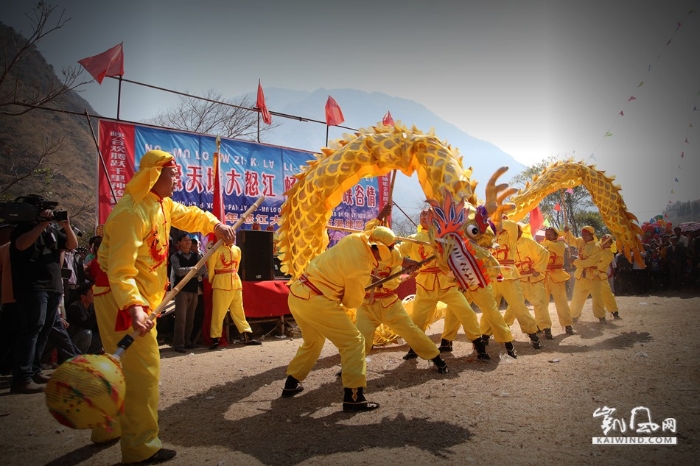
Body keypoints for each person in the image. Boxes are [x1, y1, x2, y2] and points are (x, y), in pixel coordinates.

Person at [89, 150, 236, 464]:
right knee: (142, 370)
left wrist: (216, 225)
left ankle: (107, 426)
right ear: (154, 175)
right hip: (123, 297)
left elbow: (192, 215)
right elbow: (120, 269)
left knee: (118, 365)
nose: (177, 179)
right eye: (172, 174)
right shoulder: (131, 212)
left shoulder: (162, 205)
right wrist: (135, 306)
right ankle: (140, 447)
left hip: (136, 296)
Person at [281, 228, 401, 412]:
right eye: (388, 250)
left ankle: (291, 382)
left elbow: (348, 271)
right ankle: (354, 397)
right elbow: (351, 301)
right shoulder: (360, 268)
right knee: (354, 342)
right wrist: (363, 286)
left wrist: (364, 280)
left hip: (298, 293)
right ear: (378, 248)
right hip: (317, 300)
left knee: (313, 341)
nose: (389, 254)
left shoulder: (354, 239)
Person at [399, 209, 491, 360]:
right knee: (418, 319)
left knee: (466, 312)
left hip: (446, 283)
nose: (424, 216)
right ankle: (414, 348)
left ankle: (479, 346)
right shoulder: (413, 238)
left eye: (428, 214)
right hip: (425, 285)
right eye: (421, 214)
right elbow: (398, 251)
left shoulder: (445, 236)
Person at [9, 194, 78, 394]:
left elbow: (71, 245)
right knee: (31, 329)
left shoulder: (53, 230)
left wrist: (65, 226)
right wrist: (40, 225)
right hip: (32, 286)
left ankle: (35, 370)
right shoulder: (22, 228)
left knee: (45, 329)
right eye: (43, 209)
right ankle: (22, 377)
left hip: (53, 286)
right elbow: (21, 245)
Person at [353, 227, 448, 374]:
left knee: (412, 333)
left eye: (391, 247)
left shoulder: (394, 256)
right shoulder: (360, 254)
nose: (391, 249)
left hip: (389, 305)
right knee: (361, 339)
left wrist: (382, 282)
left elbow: (395, 281)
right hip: (366, 306)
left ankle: (436, 358)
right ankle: (351, 366)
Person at [482, 218, 542, 349]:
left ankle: (533, 334)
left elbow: (513, 226)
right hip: (492, 276)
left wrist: (499, 219)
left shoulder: (511, 235)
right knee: (489, 307)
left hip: (509, 275)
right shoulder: (489, 237)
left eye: (501, 221)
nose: (497, 224)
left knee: (518, 306)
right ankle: (484, 335)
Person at [207, 234, 261, 349]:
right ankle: (215, 339)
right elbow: (211, 267)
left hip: (236, 283)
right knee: (218, 313)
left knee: (239, 311)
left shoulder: (237, 249)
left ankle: (247, 335)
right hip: (221, 283)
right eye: (230, 235)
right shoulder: (216, 249)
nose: (233, 238)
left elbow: (237, 267)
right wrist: (214, 280)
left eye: (234, 235)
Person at [505, 224, 551, 338]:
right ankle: (504, 327)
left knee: (540, 303)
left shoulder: (528, 242)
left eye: (515, 231)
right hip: (517, 280)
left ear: (520, 232)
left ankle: (545, 328)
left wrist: (538, 269)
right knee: (513, 305)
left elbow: (545, 253)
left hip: (533, 278)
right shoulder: (507, 244)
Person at [170, 233, 206, 353]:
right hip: (181, 290)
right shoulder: (175, 256)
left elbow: (203, 271)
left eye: (189, 240)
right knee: (181, 318)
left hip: (193, 290)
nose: (188, 242)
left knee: (190, 317)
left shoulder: (197, 256)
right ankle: (179, 343)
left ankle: (187, 341)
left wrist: (192, 271)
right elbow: (178, 272)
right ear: (179, 242)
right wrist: (193, 270)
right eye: (185, 240)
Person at [564, 226, 606, 322]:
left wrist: (575, 262)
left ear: (592, 235)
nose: (584, 236)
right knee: (577, 296)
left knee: (597, 298)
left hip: (593, 276)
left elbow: (590, 262)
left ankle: (601, 316)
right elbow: (572, 240)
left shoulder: (597, 247)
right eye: (583, 234)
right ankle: (574, 315)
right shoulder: (580, 242)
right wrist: (567, 232)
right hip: (581, 275)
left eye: (586, 234)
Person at [541, 227, 575, 335]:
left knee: (561, 302)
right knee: (542, 302)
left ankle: (567, 325)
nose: (548, 236)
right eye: (546, 234)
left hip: (557, 276)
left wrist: (543, 243)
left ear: (556, 235)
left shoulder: (560, 244)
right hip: (544, 277)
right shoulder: (543, 245)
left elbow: (557, 249)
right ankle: (544, 326)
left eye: (550, 234)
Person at [66, 282, 103, 354]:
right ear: (83, 297)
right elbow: (86, 325)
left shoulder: (91, 307)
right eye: (92, 294)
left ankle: (90, 358)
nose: (94, 296)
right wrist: (97, 311)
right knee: (87, 333)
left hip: (87, 340)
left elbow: (95, 328)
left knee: (101, 335)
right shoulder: (74, 308)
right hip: (74, 341)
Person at [598, 234, 621, 320]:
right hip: (590, 274)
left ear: (610, 243)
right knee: (581, 293)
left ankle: (614, 310)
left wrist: (591, 264)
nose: (605, 243)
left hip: (600, 275)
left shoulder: (610, 254)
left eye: (608, 242)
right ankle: (574, 314)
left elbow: (601, 265)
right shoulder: (597, 249)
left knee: (606, 293)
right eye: (604, 241)